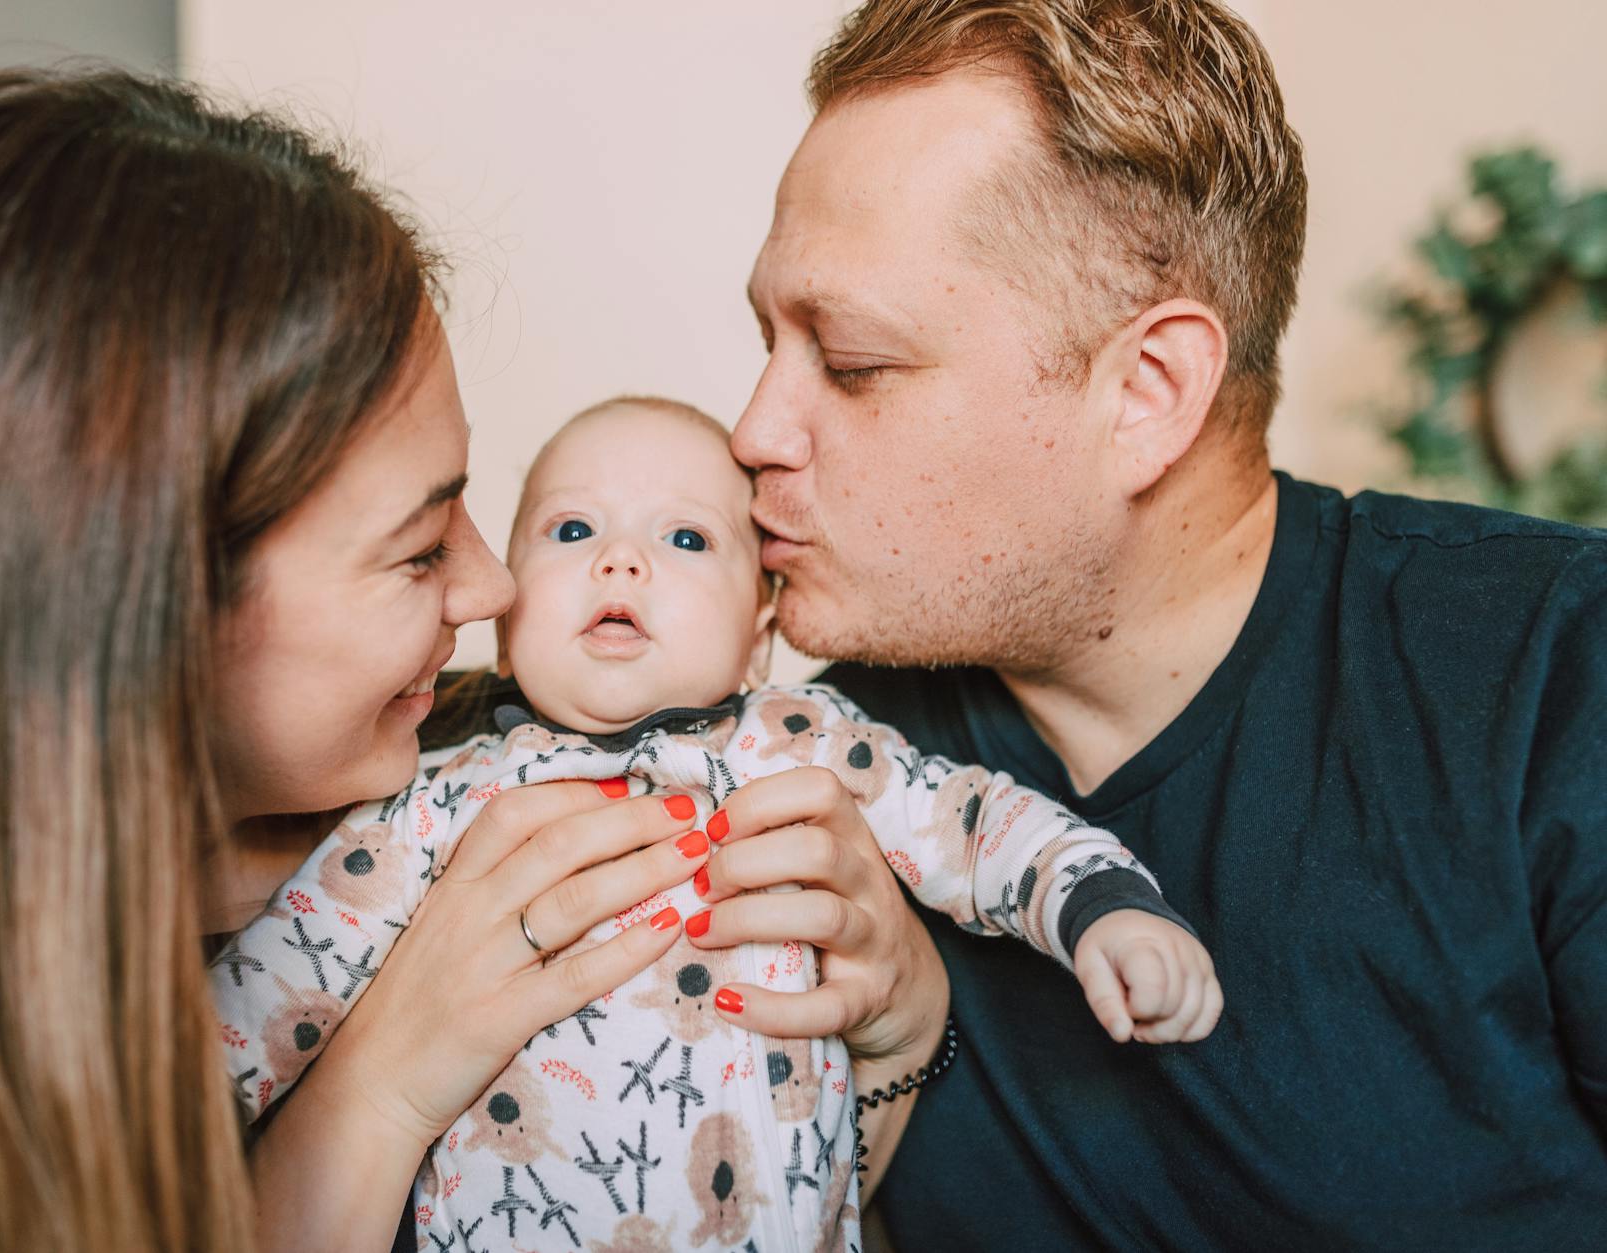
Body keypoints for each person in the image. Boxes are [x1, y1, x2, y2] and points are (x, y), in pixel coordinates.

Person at [0, 67, 949, 1253]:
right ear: (149, 614)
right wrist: (375, 1091)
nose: (495, 587)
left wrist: (898, 1040)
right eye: (418, 550)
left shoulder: (512, 753)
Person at [730, 0, 1607, 1247]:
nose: (753, 431)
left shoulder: (1553, 671)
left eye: (852, 362)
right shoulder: (811, 773)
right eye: (766, 341)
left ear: (1145, 392)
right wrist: (891, 1060)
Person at [212, 397, 1220, 1251]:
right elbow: (274, 981)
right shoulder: (439, 803)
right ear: (504, 618)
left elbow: (969, 820)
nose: (619, 561)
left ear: (759, 633)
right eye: (572, 530)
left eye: (685, 538)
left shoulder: (808, 748)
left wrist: (1099, 903)